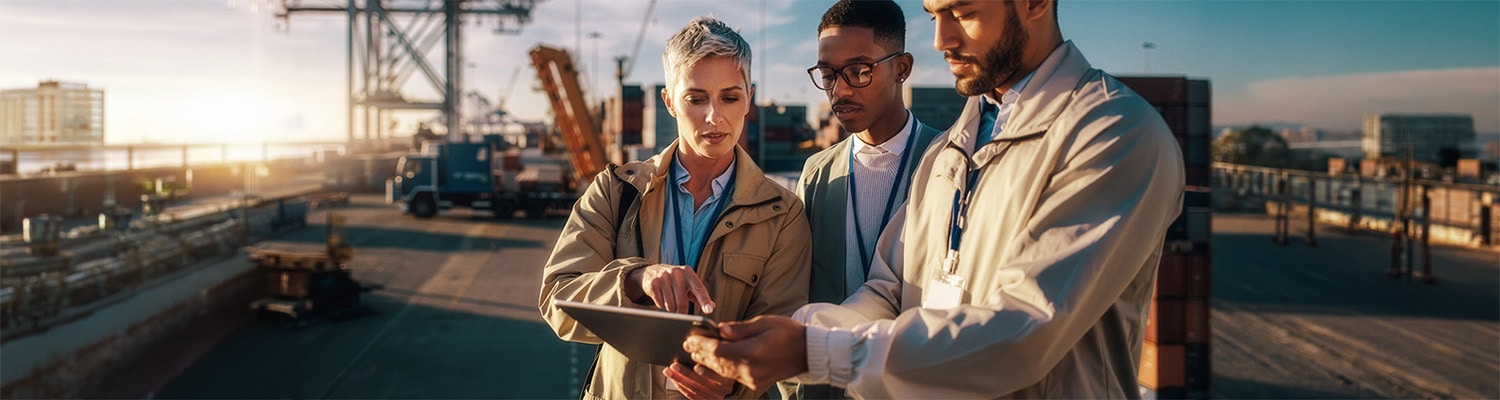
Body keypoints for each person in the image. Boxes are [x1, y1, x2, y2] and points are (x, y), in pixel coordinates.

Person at [683, 0, 1185, 398]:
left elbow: (1024, 332)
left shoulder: (1113, 133)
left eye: (963, 12)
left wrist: (814, 351)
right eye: (933, 15)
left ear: (1036, 2)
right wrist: (779, 336)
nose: (943, 39)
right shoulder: (951, 149)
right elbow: (889, 289)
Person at [539, 16, 812, 400]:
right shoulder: (616, 189)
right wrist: (635, 279)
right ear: (669, 101)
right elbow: (557, 298)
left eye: (730, 98)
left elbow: (779, 335)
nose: (714, 117)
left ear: (748, 99)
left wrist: (730, 383)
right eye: (695, 99)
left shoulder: (782, 215)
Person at [789, 1, 941, 398]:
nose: (839, 90)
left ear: (902, 68)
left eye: (858, 71)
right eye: (827, 74)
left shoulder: (948, 162)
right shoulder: (817, 173)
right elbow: (794, 293)